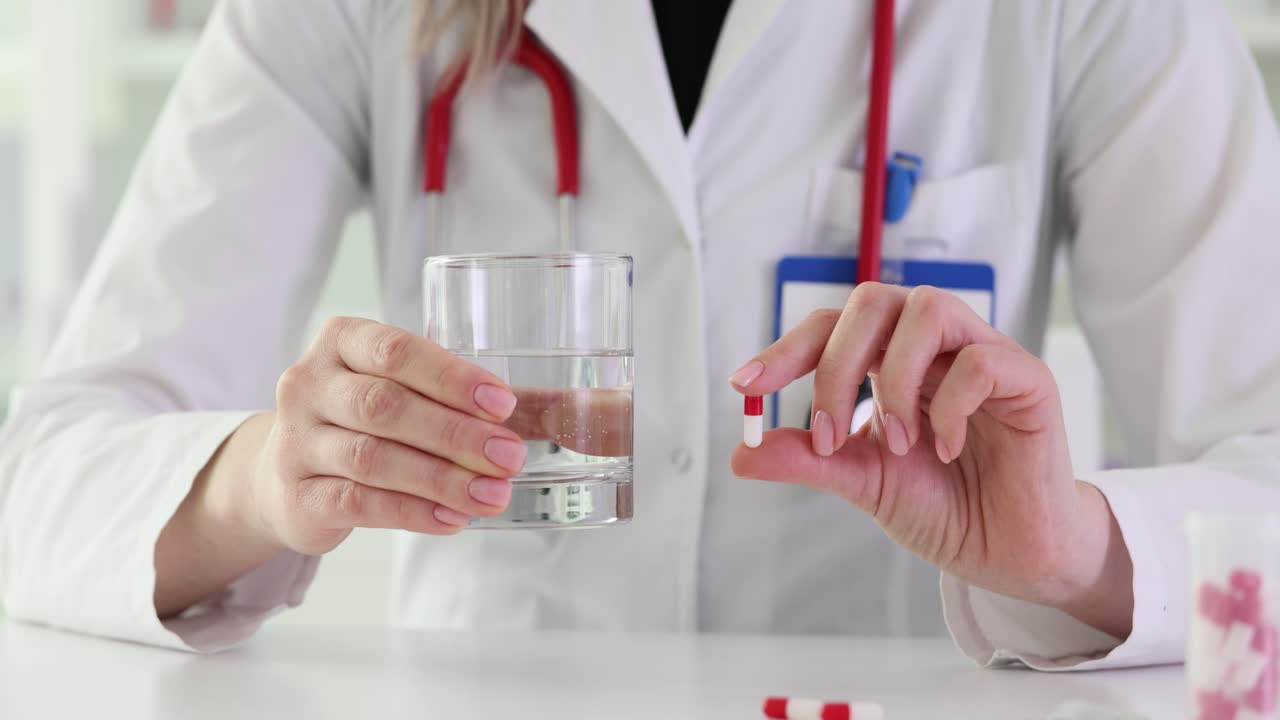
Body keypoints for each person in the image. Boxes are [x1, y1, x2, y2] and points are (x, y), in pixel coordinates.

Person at [1, 0, 1278, 671]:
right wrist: (265, 475)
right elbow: (42, 482)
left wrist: (1075, 553)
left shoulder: (1102, 11)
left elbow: (1261, 479)